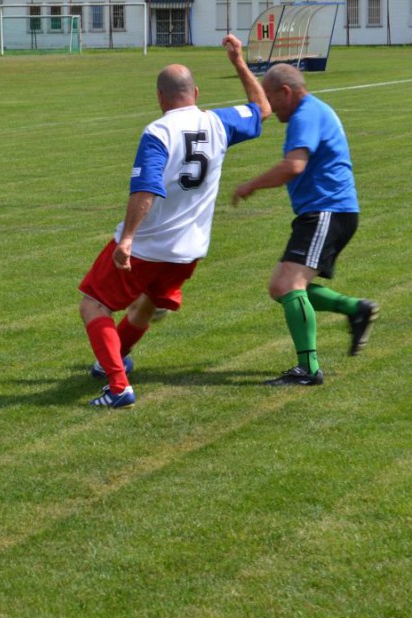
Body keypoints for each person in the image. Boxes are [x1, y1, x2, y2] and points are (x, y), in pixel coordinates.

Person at [78, 34, 271, 408]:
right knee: (148, 303)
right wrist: (238, 62)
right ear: (196, 92)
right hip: (190, 250)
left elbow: (146, 189)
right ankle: (113, 364)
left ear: (160, 98)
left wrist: (128, 238)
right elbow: (261, 107)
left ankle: (118, 387)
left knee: (93, 303)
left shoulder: (158, 131)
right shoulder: (218, 123)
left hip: (151, 245)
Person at [232, 63, 379, 386]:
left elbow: (294, 166)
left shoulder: (305, 115)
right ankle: (355, 309)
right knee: (279, 287)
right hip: (326, 211)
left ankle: (308, 370)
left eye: (271, 98)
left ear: (286, 92)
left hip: (327, 210)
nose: (270, 107)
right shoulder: (313, 110)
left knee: (289, 286)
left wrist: (250, 185)